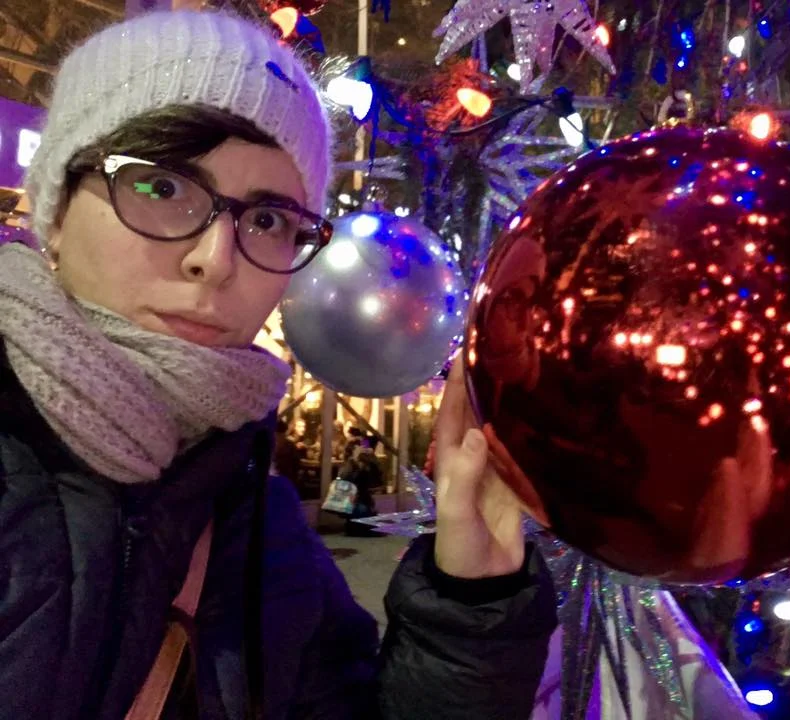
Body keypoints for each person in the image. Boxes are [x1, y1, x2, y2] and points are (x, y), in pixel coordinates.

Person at [0, 10, 557, 720]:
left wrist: (471, 597)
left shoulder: (252, 516)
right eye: (162, 187)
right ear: (54, 208)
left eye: (266, 220)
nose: (215, 260)